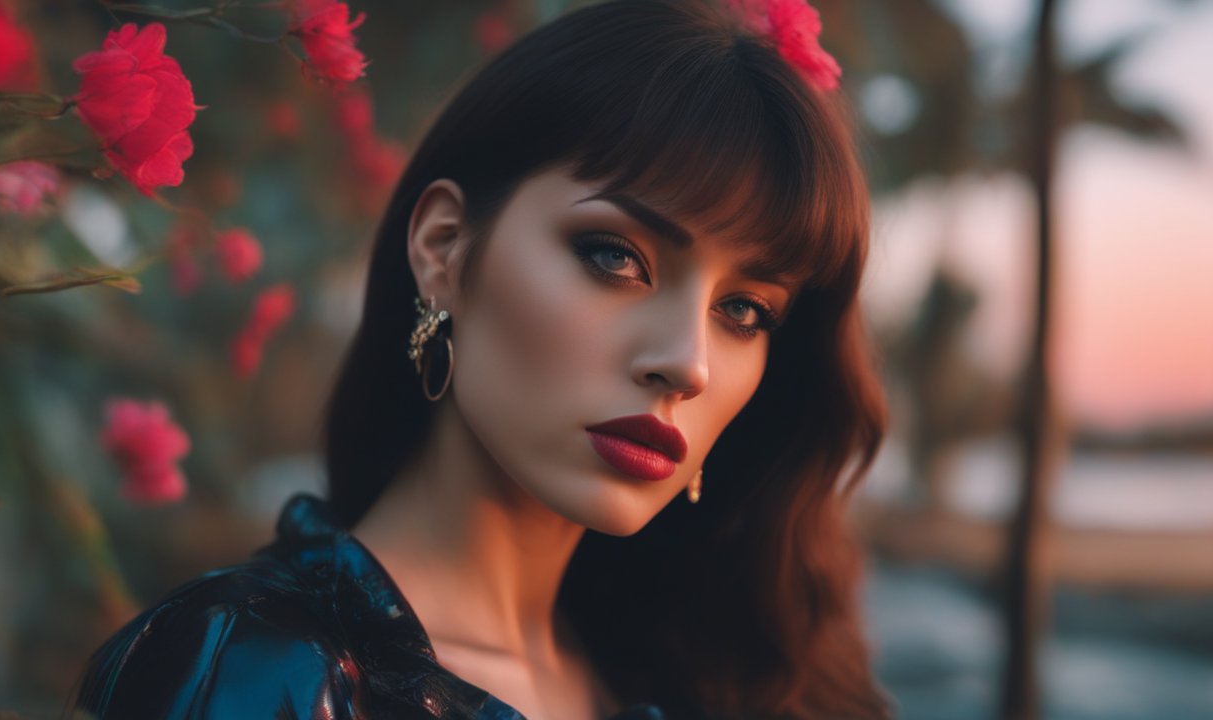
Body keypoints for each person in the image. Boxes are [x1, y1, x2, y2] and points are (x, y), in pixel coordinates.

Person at [74, 0, 891, 718]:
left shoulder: (704, 683)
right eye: (615, 257)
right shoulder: (252, 668)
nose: (689, 363)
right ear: (444, 249)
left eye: (743, 311)